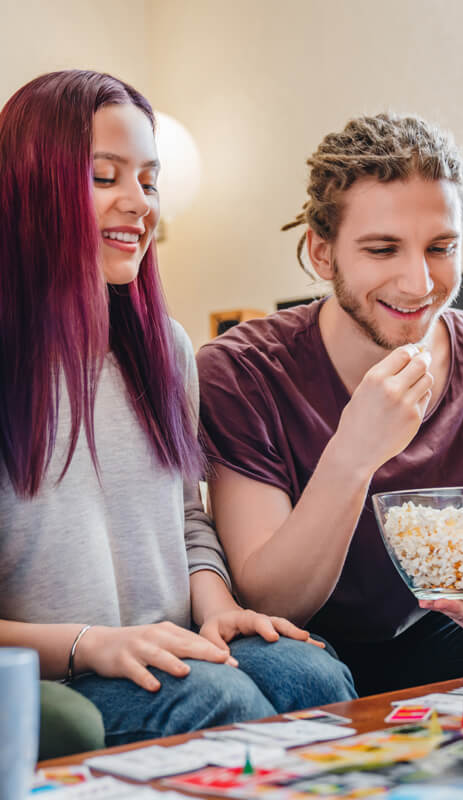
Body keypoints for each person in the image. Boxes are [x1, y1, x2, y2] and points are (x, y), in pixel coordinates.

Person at [0, 70, 355, 749]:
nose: (139, 203)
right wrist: (90, 644)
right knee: (217, 701)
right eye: (105, 178)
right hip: (57, 663)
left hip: (165, 641)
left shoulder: (166, 347)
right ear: (31, 185)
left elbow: (187, 520)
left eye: (148, 180)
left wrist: (219, 611)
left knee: (313, 679)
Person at [197, 113, 463, 696]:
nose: (418, 282)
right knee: (294, 669)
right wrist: (355, 450)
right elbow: (268, 599)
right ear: (322, 256)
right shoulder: (241, 370)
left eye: (441, 248)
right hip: (307, 652)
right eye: (382, 249)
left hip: (443, 636)